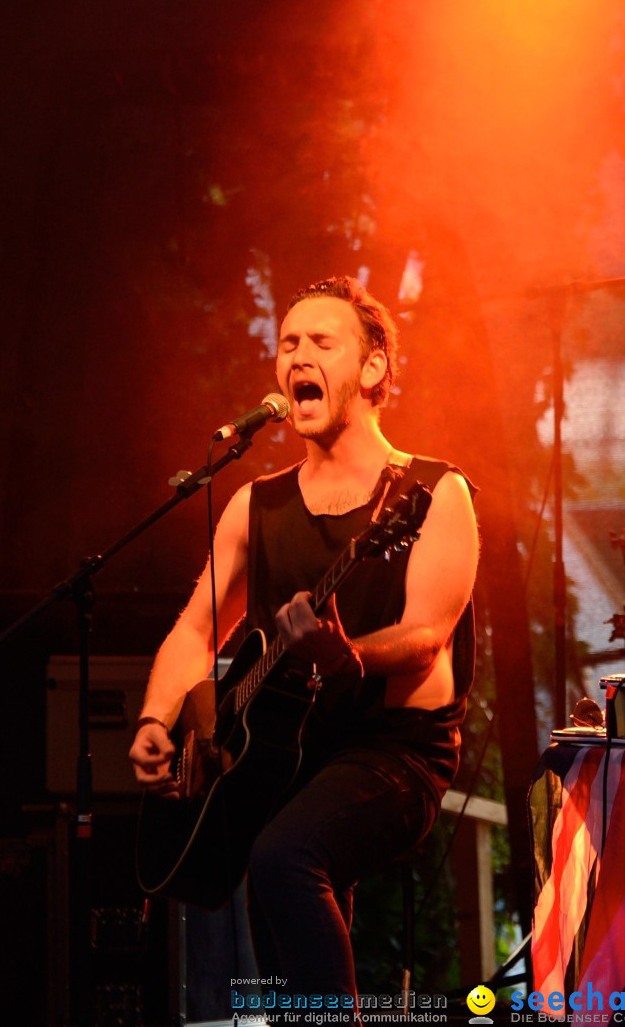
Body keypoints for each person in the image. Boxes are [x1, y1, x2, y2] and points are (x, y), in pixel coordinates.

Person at [129, 276, 479, 1020]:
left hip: (394, 753)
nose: (298, 356)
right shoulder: (256, 503)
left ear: (374, 368)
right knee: (274, 897)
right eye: (288, 344)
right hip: (283, 757)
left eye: (322, 342)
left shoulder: (431, 493)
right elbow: (196, 629)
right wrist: (156, 722)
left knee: (284, 858)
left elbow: (427, 636)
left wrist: (350, 653)